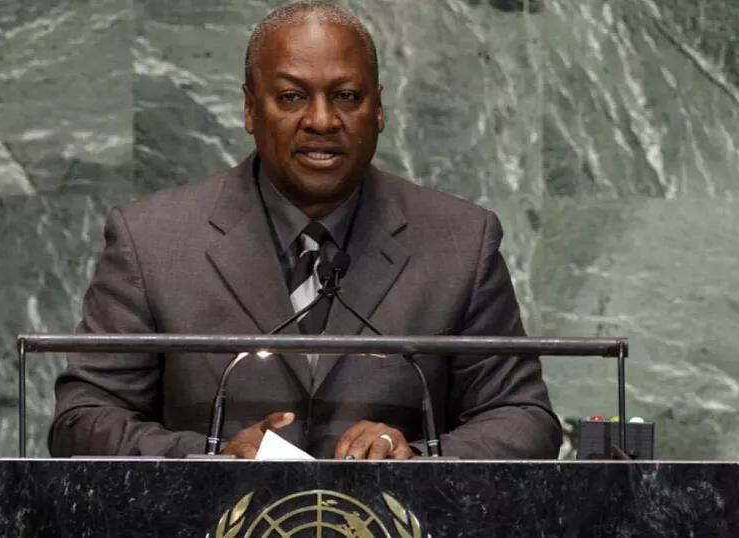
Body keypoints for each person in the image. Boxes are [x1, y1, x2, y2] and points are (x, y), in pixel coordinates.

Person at [49, 0, 561, 460]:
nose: (321, 120)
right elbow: (84, 418)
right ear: (251, 108)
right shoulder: (152, 240)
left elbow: (523, 419)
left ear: (378, 109)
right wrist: (210, 461)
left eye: (346, 96)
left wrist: (417, 459)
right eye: (292, 97)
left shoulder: (460, 242)